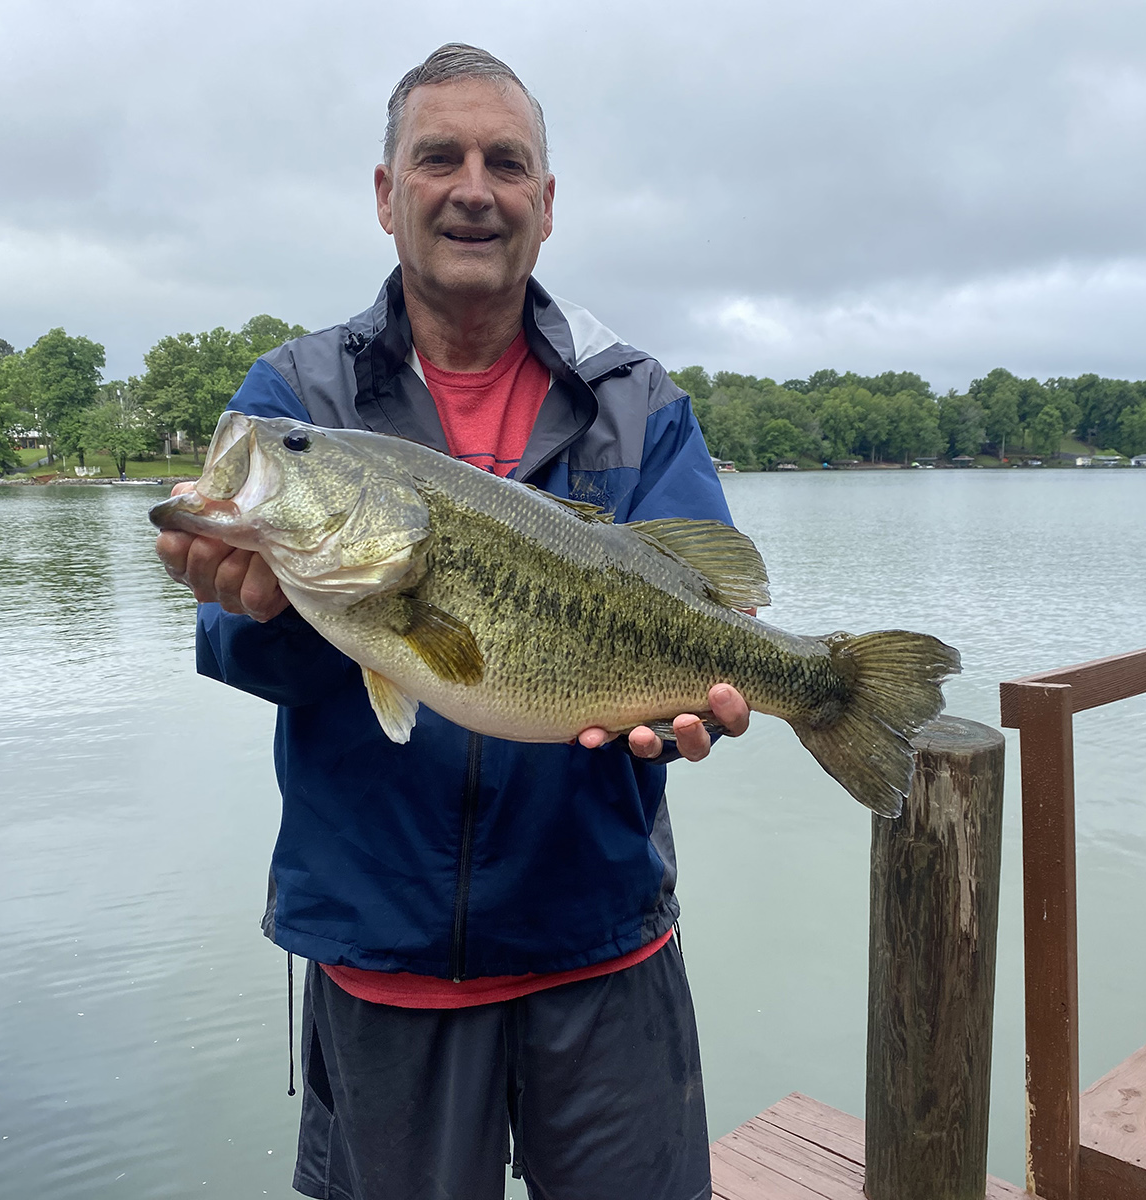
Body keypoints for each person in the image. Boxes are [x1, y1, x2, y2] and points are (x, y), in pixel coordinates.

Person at [154, 43, 749, 1200]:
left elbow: (710, 620)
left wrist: (707, 711)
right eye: (439, 158)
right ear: (386, 195)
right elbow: (232, 648)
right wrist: (255, 606)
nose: (474, 187)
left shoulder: (637, 401)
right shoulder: (295, 401)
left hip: (603, 943)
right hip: (382, 964)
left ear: (545, 203)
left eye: (506, 162)